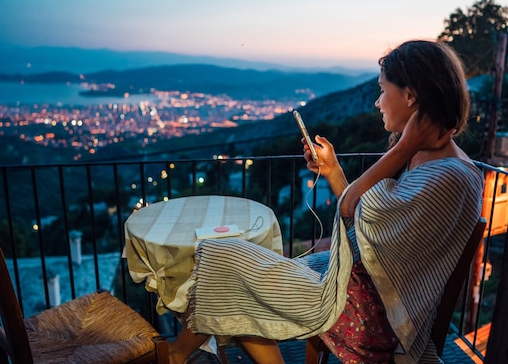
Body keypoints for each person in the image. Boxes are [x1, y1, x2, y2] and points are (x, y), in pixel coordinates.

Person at [168, 39, 484, 364]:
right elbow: (367, 219)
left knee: (223, 255)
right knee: (239, 269)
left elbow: (353, 210)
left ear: (410, 96)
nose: (378, 102)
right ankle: (182, 353)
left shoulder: (445, 176)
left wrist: (402, 149)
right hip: (364, 290)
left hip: (370, 314)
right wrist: (332, 169)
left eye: (382, 90)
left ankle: (177, 355)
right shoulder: (440, 163)